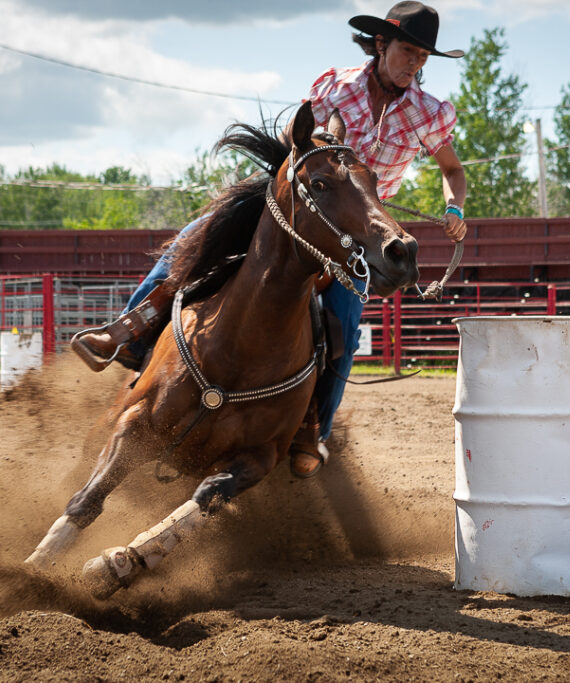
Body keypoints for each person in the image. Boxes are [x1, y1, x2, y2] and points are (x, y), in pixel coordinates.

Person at [74, 1, 467, 478]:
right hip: (304, 200)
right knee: (197, 239)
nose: (414, 64)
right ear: (382, 44)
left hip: (357, 232)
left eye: (423, 58)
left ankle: (311, 426)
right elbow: (292, 140)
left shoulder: (429, 113)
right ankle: (127, 332)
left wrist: (454, 208)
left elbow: (451, 170)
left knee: (343, 322)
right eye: (409, 50)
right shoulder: (336, 86)